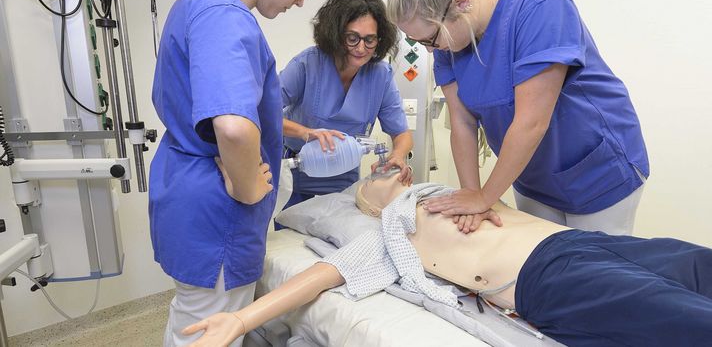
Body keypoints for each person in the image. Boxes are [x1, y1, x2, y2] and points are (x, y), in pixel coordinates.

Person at [183, 173, 712, 347]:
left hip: (580, 242)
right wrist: (241, 318)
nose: (398, 169)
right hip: (549, 277)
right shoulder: (391, 231)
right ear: (370, 201)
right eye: (383, 173)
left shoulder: (455, 190)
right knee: (687, 319)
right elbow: (324, 275)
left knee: (696, 264)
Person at [150, 0, 333, 346]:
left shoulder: (199, 3)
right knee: (208, 332)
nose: (300, 1)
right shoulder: (226, 17)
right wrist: (250, 185)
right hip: (218, 217)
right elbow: (232, 125)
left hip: (191, 201)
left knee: (192, 322)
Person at [385, 0, 649, 235]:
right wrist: (473, 193)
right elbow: (462, 122)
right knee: (540, 263)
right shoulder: (449, 37)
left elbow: (531, 122)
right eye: (418, 41)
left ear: (460, 3)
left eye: (429, 38)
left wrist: (485, 197)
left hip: (597, 168)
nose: (430, 49)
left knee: (591, 273)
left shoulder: (541, 4)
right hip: (530, 172)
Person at [279, 0, 413, 209]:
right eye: (352, 38)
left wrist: (398, 155)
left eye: (370, 40)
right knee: (290, 239)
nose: (361, 48)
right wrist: (305, 133)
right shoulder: (308, 64)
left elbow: (401, 133)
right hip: (297, 169)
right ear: (336, 34)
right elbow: (262, 114)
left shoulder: (381, 75)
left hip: (344, 174)